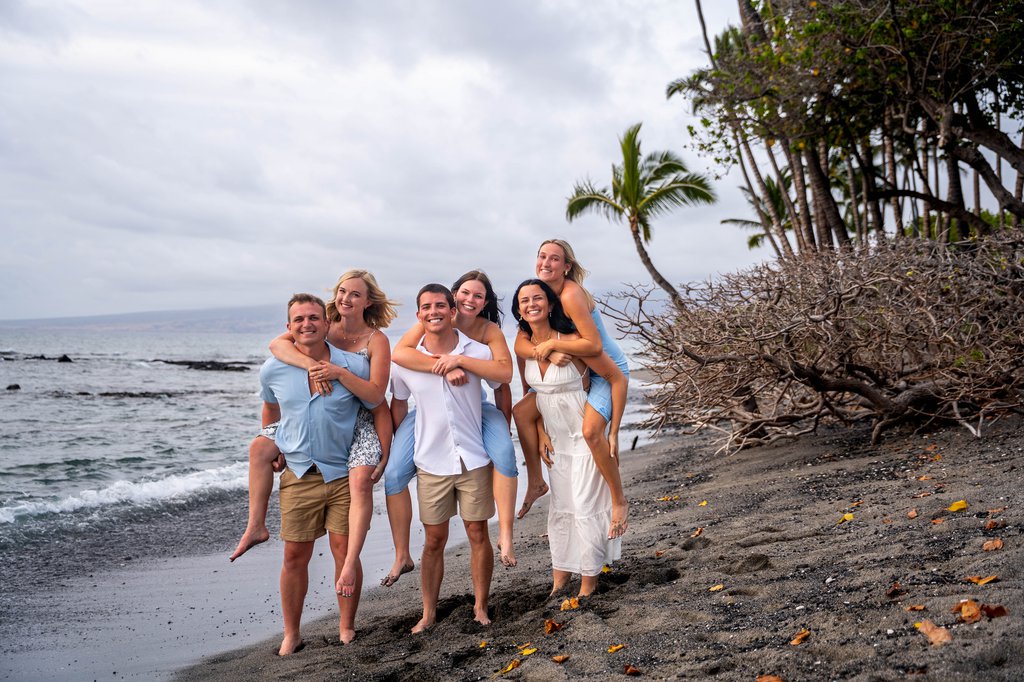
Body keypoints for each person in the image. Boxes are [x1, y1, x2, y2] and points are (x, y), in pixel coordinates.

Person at [231, 270, 395, 602]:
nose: (346, 298)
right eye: (342, 291)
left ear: (368, 302)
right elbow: (277, 345)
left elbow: (378, 398)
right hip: (305, 422)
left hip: (356, 416)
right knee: (259, 449)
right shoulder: (322, 325)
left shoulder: (374, 340)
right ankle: (255, 525)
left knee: (360, 482)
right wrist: (311, 366)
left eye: (355, 294)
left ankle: (350, 564)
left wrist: (338, 373)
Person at [258, 293, 376, 654]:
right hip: (298, 474)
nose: (306, 324)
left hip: (342, 474)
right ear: (289, 327)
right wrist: (273, 442)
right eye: (299, 319)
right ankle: (291, 633)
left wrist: (383, 455)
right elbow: (270, 407)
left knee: (344, 552)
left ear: (326, 323)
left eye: (313, 318)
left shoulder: (352, 365)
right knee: (294, 556)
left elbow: (375, 403)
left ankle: (346, 626)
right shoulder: (274, 368)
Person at [384, 270, 518, 581]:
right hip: (429, 410)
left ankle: (506, 534)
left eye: (479, 296)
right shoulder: (434, 316)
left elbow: (503, 377)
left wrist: (460, 362)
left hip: (474, 408)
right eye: (465, 293)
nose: (471, 299)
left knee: (505, 455)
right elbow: (400, 354)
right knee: (393, 474)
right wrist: (443, 367)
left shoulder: (487, 332)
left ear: (485, 302)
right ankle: (402, 554)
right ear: (455, 296)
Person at [512, 279, 625, 598]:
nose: (531, 304)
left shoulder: (572, 341)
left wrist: (613, 430)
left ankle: (588, 583)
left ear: (550, 304)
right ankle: (559, 581)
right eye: (524, 300)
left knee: (586, 507)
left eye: (537, 298)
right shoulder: (524, 348)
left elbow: (616, 377)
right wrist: (539, 431)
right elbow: (531, 396)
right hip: (557, 442)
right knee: (562, 510)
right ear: (519, 310)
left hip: (583, 437)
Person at [513, 239, 630, 539]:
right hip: (577, 368)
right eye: (542, 256)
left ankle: (619, 501)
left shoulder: (570, 294)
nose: (546, 263)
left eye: (554, 258)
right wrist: (547, 351)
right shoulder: (539, 295)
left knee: (591, 432)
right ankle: (536, 481)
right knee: (522, 411)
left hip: (606, 370)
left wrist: (615, 432)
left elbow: (594, 345)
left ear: (566, 266)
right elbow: (521, 343)